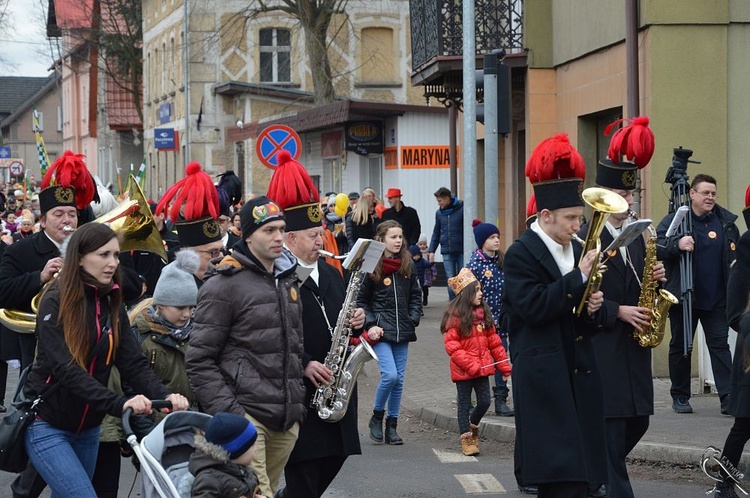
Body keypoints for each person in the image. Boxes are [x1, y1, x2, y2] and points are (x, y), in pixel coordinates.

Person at [23, 223, 189, 497]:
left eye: (115, 255)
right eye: (104, 255)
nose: (113, 262)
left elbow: (133, 364)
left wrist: (166, 396)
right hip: (47, 422)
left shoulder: (112, 300)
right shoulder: (54, 301)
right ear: (78, 257)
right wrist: (120, 403)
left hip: (88, 428)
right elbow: (67, 371)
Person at [502, 133, 607, 498]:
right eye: (571, 218)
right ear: (546, 216)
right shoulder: (520, 254)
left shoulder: (573, 247)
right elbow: (533, 308)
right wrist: (578, 278)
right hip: (546, 381)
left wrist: (593, 310)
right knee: (560, 482)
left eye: (579, 218)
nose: (578, 226)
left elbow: (578, 316)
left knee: (584, 481)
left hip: (578, 374)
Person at [186, 194, 305, 498]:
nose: (279, 237)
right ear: (248, 235)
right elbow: (199, 359)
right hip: (248, 418)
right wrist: (234, 414)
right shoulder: (224, 283)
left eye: (281, 228)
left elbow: (292, 346)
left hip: (286, 418)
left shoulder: (287, 279)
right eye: (269, 230)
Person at [275, 157, 371, 497]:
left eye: (322, 233)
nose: (321, 241)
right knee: (303, 475)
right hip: (302, 390)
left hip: (336, 387)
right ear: (289, 238)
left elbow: (344, 312)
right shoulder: (279, 279)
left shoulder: (331, 272)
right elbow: (270, 335)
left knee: (334, 458)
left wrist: (360, 319)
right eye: (313, 235)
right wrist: (304, 364)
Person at [581, 117, 665, 498]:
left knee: (639, 424)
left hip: (633, 353)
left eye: (631, 196)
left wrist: (659, 277)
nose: (628, 203)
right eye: (621, 195)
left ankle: (592, 475)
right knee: (613, 434)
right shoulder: (587, 238)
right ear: (603, 194)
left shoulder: (640, 236)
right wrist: (618, 311)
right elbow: (581, 301)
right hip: (603, 349)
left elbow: (641, 281)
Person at [656, 173, 739, 415]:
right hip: (683, 297)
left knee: (720, 346)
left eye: (713, 193)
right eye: (705, 193)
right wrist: (676, 245)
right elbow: (656, 246)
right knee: (682, 346)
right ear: (692, 194)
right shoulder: (677, 220)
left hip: (716, 299)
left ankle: (728, 397)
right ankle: (680, 396)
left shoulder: (724, 222)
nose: (710, 197)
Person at [357, 220, 423, 445]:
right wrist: (371, 324)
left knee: (400, 380)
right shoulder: (371, 265)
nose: (398, 241)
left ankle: (392, 425)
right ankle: (376, 416)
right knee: (390, 375)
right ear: (381, 239)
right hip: (380, 331)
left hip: (402, 328)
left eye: (400, 237)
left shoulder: (407, 263)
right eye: (393, 237)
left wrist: (413, 318)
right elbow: (361, 301)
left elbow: (416, 294)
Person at [441, 267, 512, 456]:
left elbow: (495, 344)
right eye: (477, 290)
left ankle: (473, 425)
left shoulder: (484, 316)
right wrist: (471, 364)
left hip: (481, 369)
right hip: (465, 371)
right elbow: (452, 347)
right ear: (465, 294)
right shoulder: (455, 317)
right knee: (464, 403)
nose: (481, 294)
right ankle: (467, 439)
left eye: (481, 289)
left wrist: (504, 366)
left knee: (484, 401)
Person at [467, 219, 513, 417]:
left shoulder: (502, 262)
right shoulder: (474, 265)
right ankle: (469, 399)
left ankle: (501, 400)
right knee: (477, 361)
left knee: (500, 359)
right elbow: (468, 295)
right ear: (482, 241)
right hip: (480, 323)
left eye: (498, 237)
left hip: (501, 322)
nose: (496, 241)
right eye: (492, 238)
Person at [156, 162, 225, 284]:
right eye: (213, 252)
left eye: (221, 250)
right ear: (190, 257)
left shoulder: (227, 279)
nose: (220, 258)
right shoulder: (175, 285)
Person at [190, 412, 265, 498]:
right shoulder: (209, 481)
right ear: (237, 450)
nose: (257, 448)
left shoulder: (246, 471)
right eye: (252, 445)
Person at [428, 187, 464, 299]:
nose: (439, 204)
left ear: (447, 199)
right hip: (447, 250)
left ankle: (463, 302)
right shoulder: (439, 214)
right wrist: (431, 250)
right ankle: (453, 303)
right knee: (450, 279)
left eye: (440, 201)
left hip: (461, 249)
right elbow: (436, 232)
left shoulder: (462, 209)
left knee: (463, 278)